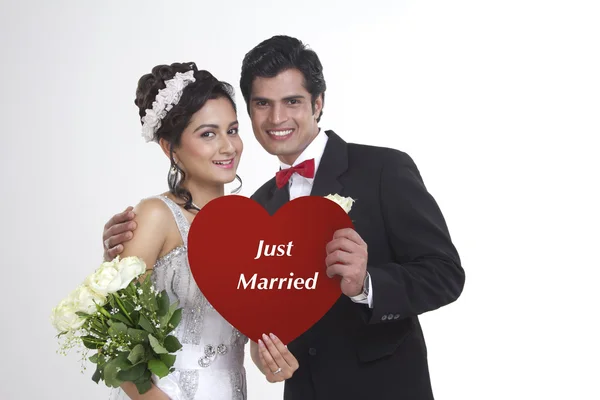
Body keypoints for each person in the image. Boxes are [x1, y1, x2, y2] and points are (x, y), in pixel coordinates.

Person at [104, 36, 465, 400]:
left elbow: (445, 273)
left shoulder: (384, 169)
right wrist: (267, 356)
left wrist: (367, 284)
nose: (277, 119)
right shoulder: (256, 209)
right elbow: (258, 317)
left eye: (292, 101)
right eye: (262, 104)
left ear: (318, 104)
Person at [105, 61, 298, 400]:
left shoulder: (250, 226)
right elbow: (115, 339)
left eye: (233, 130)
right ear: (170, 148)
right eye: (208, 134)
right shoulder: (155, 216)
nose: (228, 147)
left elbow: (250, 337)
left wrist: (270, 360)